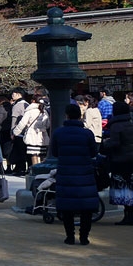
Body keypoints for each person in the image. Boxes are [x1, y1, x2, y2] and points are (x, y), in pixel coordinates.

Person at [50, 104, 99, 245]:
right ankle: (84, 236)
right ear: (80, 115)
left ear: (67, 115)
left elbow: (54, 153)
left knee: (67, 207)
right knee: (86, 208)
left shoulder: (58, 133)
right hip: (84, 172)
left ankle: (69, 236)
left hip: (66, 172)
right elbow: (93, 153)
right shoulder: (87, 133)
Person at [101, 101, 133, 225]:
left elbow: (115, 143)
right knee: (132, 188)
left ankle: (128, 216)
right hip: (132, 158)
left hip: (120, 160)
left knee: (123, 188)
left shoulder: (116, 125)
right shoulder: (129, 123)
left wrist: (105, 143)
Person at [17, 97, 50, 167]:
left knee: (34, 154)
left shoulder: (29, 111)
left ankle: (35, 170)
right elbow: (48, 124)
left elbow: (22, 123)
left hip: (31, 135)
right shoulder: (45, 112)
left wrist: (16, 132)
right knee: (42, 155)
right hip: (42, 135)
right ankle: (42, 170)